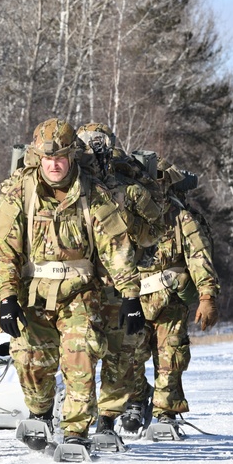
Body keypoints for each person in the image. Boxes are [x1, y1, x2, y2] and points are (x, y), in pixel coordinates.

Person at [0, 118, 146, 452]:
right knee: (28, 356)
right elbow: (4, 251)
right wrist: (6, 297)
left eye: (60, 156)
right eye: (48, 158)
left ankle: (76, 431)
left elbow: (115, 247)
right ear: (38, 159)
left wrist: (131, 296)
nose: (54, 164)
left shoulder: (93, 193)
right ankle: (41, 412)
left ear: (71, 156)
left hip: (79, 291)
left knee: (81, 351)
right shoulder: (21, 192)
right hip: (33, 292)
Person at [74, 124, 163, 440]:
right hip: (80, 286)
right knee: (79, 353)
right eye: (87, 147)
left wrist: (131, 227)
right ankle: (75, 424)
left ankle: (107, 421)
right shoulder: (69, 187)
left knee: (121, 353)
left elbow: (155, 231)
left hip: (120, 285)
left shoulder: (127, 188)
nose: (93, 154)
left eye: (99, 147)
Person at [127, 160, 220, 434]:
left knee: (170, 358)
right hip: (133, 300)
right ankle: (136, 399)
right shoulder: (125, 217)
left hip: (170, 300)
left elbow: (199, 257)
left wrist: (207, 297)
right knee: (128, 357)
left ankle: (166, 415)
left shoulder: (181, 219)